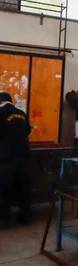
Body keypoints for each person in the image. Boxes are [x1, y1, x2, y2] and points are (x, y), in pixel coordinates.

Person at [0, 92, 32, 226]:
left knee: (4, 189)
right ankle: (25, 218)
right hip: (23, 155)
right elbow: (28, 130)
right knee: (23, 188)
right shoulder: (22, 113)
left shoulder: (1, 112)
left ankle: (4, 219)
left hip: (6, 157)